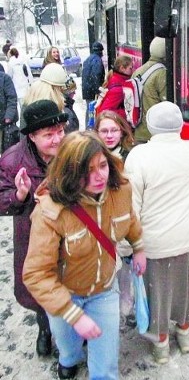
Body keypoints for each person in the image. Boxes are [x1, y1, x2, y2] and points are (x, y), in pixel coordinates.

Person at [22, 131, 146, 380]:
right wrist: (73, 314)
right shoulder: (50, 212)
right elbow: (36, 274)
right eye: (87, 170)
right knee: (69, 348)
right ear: (70, 173)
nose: (99, 176)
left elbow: (129, 219)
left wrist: (139, 247)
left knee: (106, 366)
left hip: (104, 290)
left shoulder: (120, 189)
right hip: (66, 294)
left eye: (102, 165)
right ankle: (69, 359)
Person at [124, 101, 189, 364]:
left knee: (156, 292)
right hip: (187, 239)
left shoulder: (139, 156)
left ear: (150, 127)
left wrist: (126, 246)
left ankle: (160, 346)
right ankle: (185, 336)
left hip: (152, 245)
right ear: (180, 125)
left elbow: (130, 206)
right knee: (186, 288)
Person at [0, 100, 68, 359]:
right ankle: (45, 329)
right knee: (42, 286)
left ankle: (71, 333)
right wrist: (19, 195)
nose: (58, 138)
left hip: (69, 234)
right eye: (49, 135)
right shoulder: (13, 160)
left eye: (60, 131)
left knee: (71, 283)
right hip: (33, 237)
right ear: (32, 135)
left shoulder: (72, 150)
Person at [94, 110, 137, 320]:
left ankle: (125, 302)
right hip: (98, 225)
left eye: (114, 130)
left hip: (123, 222)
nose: (109, 135)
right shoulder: (90, 156)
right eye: (104, 131)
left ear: (122, 132)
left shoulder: (132, 157)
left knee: (125, 268)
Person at [131, 37, 167, 143]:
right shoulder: (162, 73)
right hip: (153, 132)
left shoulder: (138, 71)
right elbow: (167, 104)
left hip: (138, 130)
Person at [23, 63, 71, 132]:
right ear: (57, 87)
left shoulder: (31, 94)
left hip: (31, 139)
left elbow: (24, 127)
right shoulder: (54, 101)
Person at [95, 54, 134, 120]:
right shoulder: (118, 88)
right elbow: (105, 112)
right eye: (130, 68)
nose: (133, 70)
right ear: (122, 68)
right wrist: (127, 112)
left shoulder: (115, 79)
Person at [81, 42, 105, 128]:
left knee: (89, 109)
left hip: (87, 89)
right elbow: (96, 75)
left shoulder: (88, 59)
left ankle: (88, 127)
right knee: (92, 110)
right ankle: (90, 128)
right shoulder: (97, 60)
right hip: (92, 91)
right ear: (101, 51)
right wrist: (98, 90)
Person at [0, 64, 18, 152]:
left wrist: (9, 116)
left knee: (6, 149)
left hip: (4, 122)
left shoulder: (4, 78)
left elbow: (12, 98)